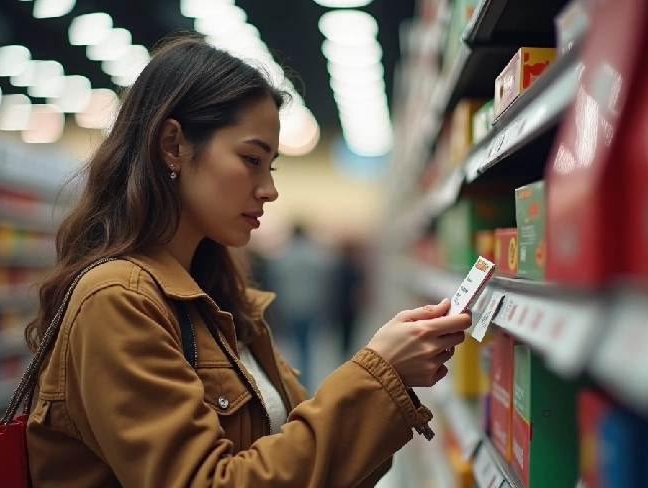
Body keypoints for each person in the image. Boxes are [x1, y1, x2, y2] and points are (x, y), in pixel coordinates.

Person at [24, 36, 471, 488]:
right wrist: (377, 375)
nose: (268, 190)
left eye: (270, 167)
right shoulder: (117, 300)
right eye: (251, 159)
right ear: (172, 144)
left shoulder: (217, 301)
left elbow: (310, 461)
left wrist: (391, 373)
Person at [265, 223, 338, 392]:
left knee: (295, 344)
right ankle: (305, 380)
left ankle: (298, 379)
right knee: (306, 344)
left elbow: (275, 283)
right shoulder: (317, 257)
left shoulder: (283, 257)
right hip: (312, 306)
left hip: (289, 307)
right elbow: (327, 281)